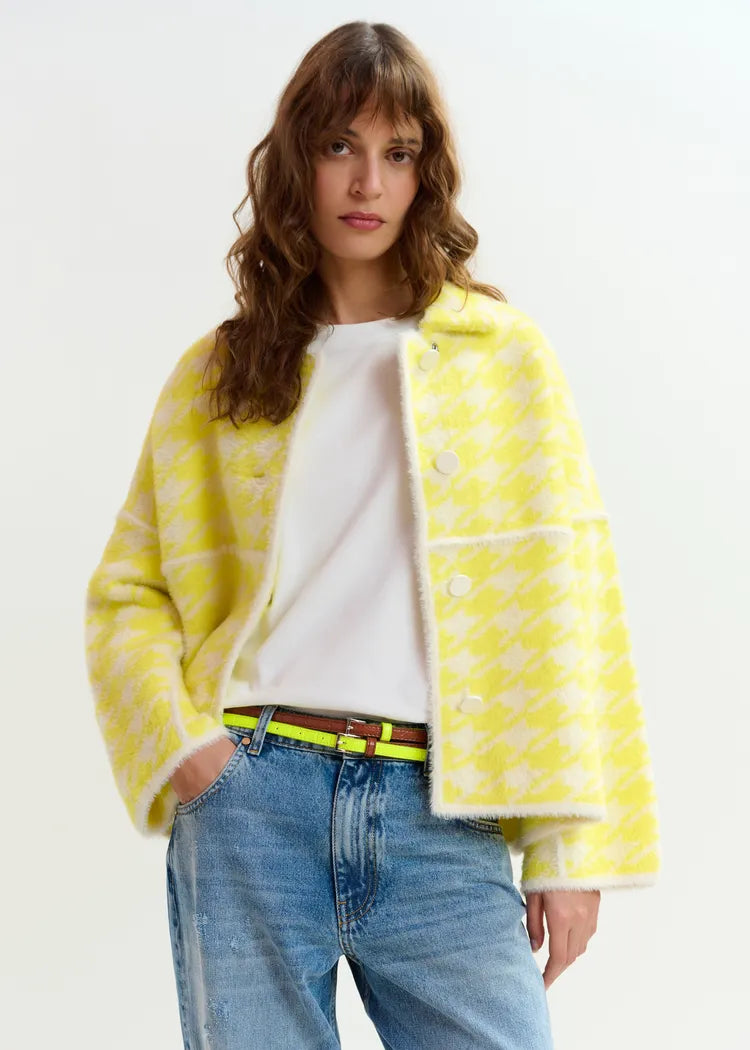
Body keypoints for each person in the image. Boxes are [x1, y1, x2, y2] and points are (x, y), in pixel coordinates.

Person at [84, 20, 661, 1050]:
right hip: (253, 801)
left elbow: (569, 607)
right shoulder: (219, 375)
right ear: (295, 163)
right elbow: (130, 592)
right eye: (339, 146)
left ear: (426, 174)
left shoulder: (501, 358)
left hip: (445, 809)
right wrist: (185, 750)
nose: (368, 182)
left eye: (398, 153)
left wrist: (570, 848)